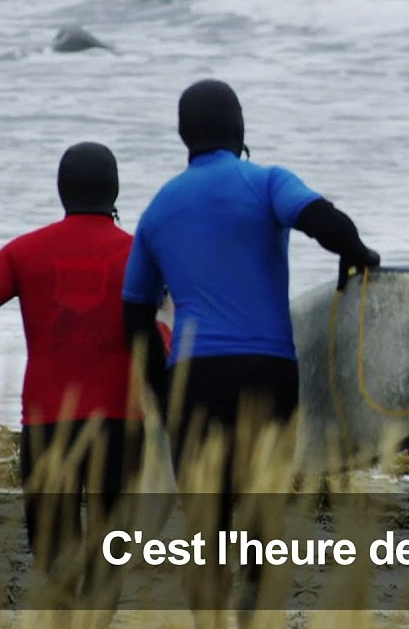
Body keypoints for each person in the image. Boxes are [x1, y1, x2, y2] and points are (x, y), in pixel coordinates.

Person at [121, 78, 380, 615]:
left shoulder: (159, 209)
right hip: (267, 372)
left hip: (194, 378)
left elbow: (134, 313)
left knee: (205, 518)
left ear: (182, 134)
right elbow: (322, 219)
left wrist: (160, 389)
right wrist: (355, 251)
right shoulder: (266, 181)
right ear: (239, 127)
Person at [0, 141, 154, 602]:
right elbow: (165, 332)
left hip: (47, 421)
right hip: (121, 425)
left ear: (61, 190)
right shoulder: (142, 255)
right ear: (114, 190)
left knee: (53, 552)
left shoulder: (23, 252)